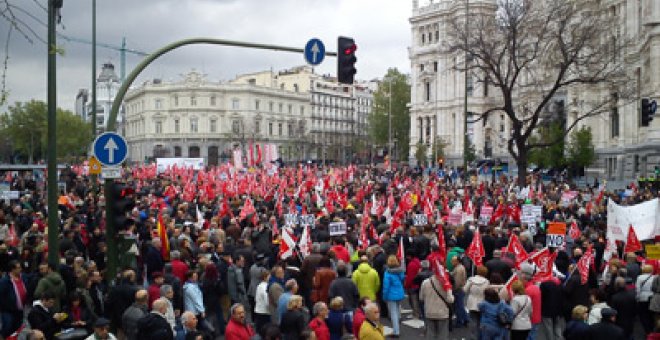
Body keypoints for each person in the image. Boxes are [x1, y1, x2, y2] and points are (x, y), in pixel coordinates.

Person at [419, 270, 454, 339]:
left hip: (429, 312)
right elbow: (450, 300)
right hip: (442, 313)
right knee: (442, 334)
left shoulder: (425, 282)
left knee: (430, 333)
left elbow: (421, 297)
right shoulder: (446, 283)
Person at [0, 260, 29, 338]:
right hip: (8, 311)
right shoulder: (4, 281)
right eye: (18, 268)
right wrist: (5, 305)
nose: (20, 269)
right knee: (7, 328)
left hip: (20, 310)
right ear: (12, 269)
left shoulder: (23, 277)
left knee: (17, 329)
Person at [381, 255, 404, 338]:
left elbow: (386, 286)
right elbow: (402, 280)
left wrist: (384, 296)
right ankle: (397, 326)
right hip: (399, 292)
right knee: (397, 310)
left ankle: (396, 331)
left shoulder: (387, 273)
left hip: (391, 294)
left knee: (393, 313)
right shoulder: (400, 271)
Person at [465, 265, 489, 338]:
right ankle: (480, 336)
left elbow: (465, 290)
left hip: (471, 301)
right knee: (481, 321)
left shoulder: (471, 280)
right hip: (482, 302)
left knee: (473, 320)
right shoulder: (486, 282)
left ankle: (473, 336)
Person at [450, 255, 469, 328]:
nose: (451, 262)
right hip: (461, 289)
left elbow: (457, 282)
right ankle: (465, 318)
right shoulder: (460, 267)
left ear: (457, 261)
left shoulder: (458, 269)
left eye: (453, 261)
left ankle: (460, 321)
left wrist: (454, 289)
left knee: (459, 306)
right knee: (460, 305)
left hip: (458, 290)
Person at [637, 264, 655, 334]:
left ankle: (647, 330)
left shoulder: (640, 277)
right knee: (651, 314)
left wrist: (637, 298)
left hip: (643, 298)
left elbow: (638, 289)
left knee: (644, 314)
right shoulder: (654, 277)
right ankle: (652, 328)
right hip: (652, 297)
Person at [254, 268, 271, 335]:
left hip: (258, 311)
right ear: (265, 277)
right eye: (269, 276)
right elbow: (267, 301)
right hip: (264, 312)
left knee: (259, 331)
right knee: (265, 331)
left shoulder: (259, 286)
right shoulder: (265, 287)